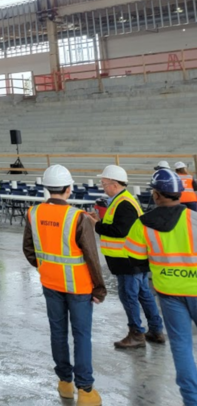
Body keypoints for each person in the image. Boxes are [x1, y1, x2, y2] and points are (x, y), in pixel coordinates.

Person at [23, 165, 106, 406]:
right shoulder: (77, 217)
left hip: (50, 284)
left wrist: (47, 268)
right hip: (79, 287)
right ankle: (86, 391)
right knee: (81, 336)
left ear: (47, 189)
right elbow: (91, 256)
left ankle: (65, 384)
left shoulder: (34, 213)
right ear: (69, 189)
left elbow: (29, 250)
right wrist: (99, 288)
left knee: (58, 333)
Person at [125, 168, 197, 406]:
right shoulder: (194, 219)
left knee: (182, 347)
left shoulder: (142, 224)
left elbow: (134, 257)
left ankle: (192, 400)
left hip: (169, 294)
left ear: (155, 195)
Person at [88, 164, 165, 349]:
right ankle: (155, 330)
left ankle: (136, 333)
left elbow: (120, 230)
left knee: (129, 296)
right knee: (143, 294)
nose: (103, 186)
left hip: (128, 260)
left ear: (114, 184)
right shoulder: (121, 200)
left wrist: (96, 224)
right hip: (131, 259)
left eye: (104, 183)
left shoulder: (124, 203)